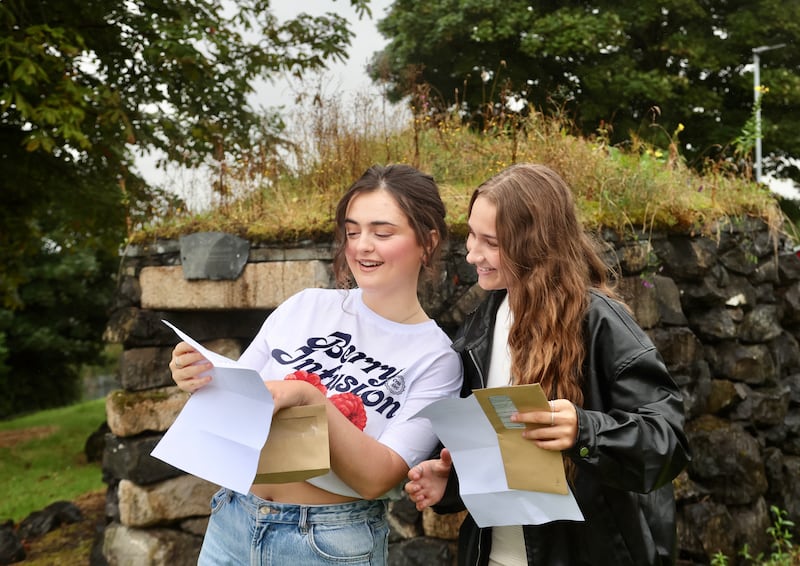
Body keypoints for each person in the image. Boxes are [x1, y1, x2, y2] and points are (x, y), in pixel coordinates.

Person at [169, 164, 462, 566]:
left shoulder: (437, 359)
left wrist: (310, 398)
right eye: (353, 231)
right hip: (233, 520)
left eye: (382, 232)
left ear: (427, 243)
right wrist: (199, 376)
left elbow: (378, 477)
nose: (362, 246)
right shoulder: (305, 305)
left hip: (327, 541)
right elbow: (242, 398)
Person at [404, 163, 691, 566]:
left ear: (534, 243)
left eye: (491, 241)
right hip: (494, 556)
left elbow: (667, 443)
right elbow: (500, 457)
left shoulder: (600, 322)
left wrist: (585, 429)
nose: (472, 253)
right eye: (471, 234)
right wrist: (451, 482)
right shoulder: (478, 330)